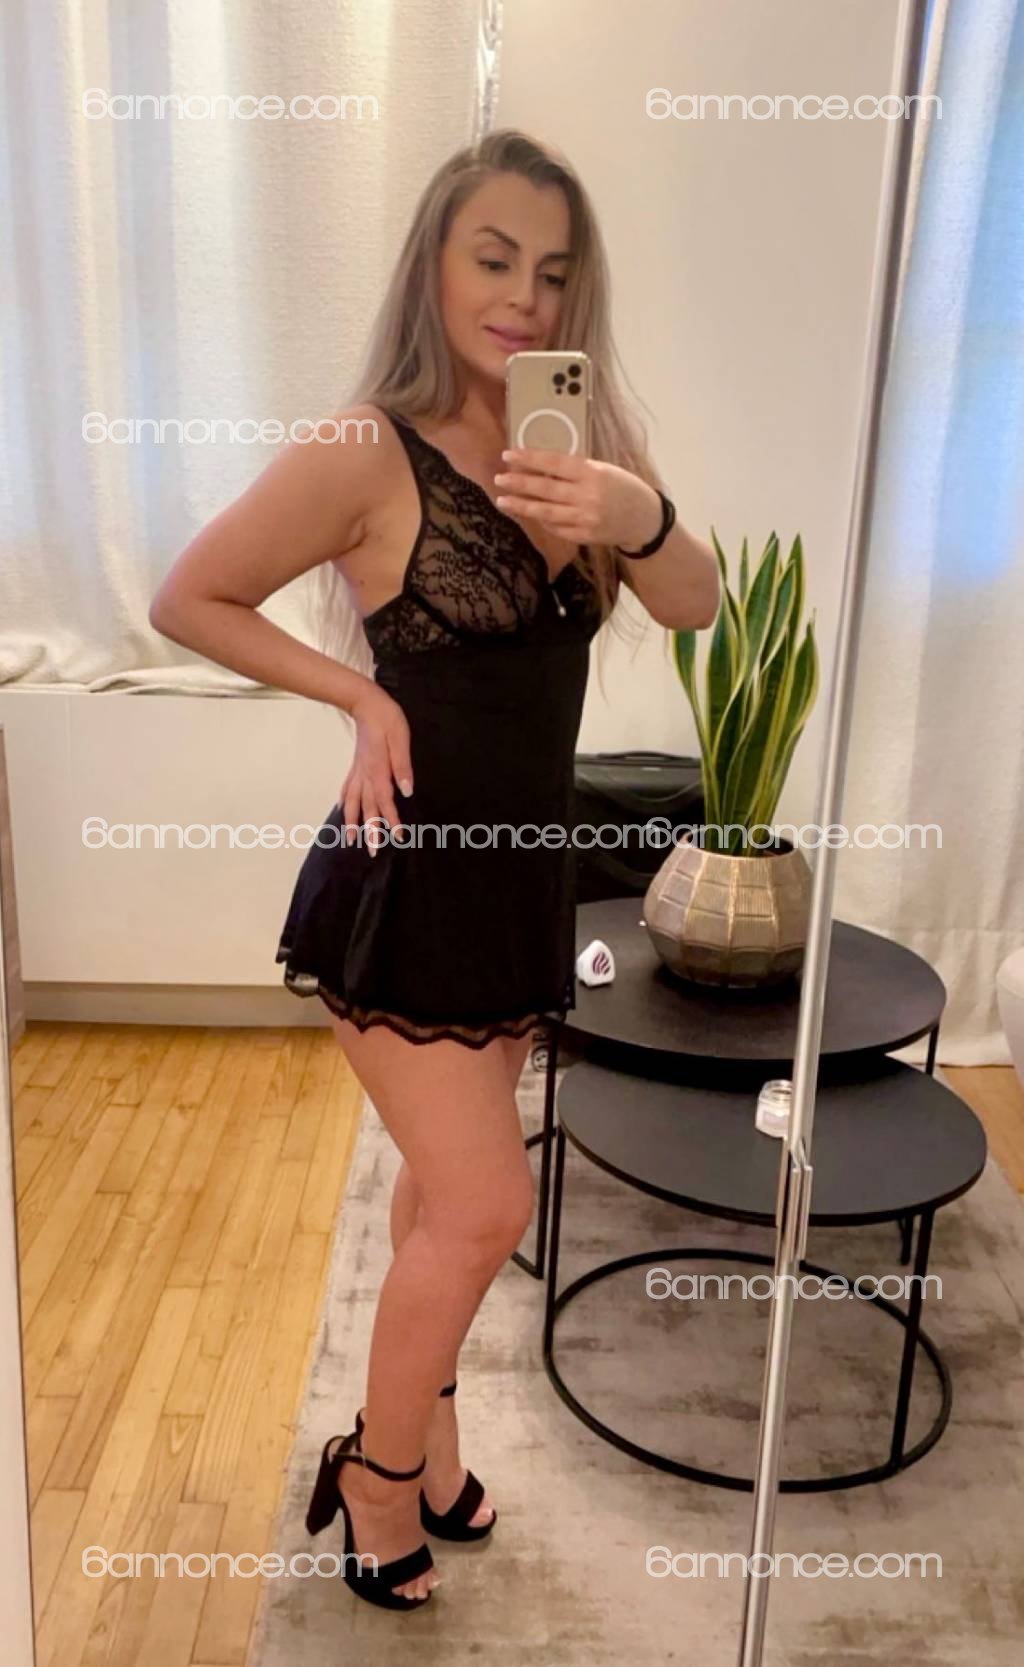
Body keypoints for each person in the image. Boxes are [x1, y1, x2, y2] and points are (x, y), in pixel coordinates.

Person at [149, 128, 719, 1613]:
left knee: (434, 1199)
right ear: (435, 266)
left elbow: (700, 602)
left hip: (519, 884)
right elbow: (189, 596)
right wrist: (357, 694)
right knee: (483, 1210)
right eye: (494, 259)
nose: (524, 296)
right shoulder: (365, 447)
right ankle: (378, 1472)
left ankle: (436, 1445)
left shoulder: (579, 445)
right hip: (401, 885)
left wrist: (636, 515)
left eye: (553, 271)